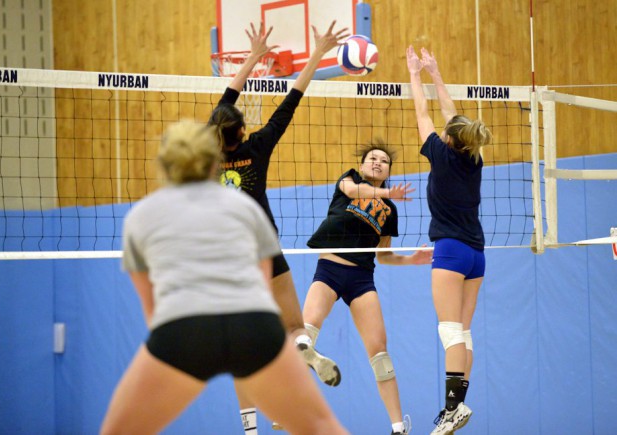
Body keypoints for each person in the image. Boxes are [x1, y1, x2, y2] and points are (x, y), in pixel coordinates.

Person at [100, 119, 347, 435]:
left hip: (183, 328)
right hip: (253, 324)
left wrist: (179, 347)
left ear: (164, 164)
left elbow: (152, 309)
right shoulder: (246, 208)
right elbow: (263, 283)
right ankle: (299, 343)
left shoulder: (139, 218)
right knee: (321, 427)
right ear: (214, 161)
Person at [208, 21, 348, 433]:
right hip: (266, 245)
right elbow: (291, 101)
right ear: (243, 131)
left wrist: (251, 57)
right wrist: (318, 53)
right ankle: (304, 348)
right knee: (294, 327)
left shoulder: (205, 151)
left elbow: (225, 101)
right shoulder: (259, 147)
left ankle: (250, 428)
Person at [302, 140, 433, 435]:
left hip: (361, 279)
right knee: (304, 337)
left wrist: (412, 260)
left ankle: (398, 428)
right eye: (372, 158)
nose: (377, 162)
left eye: (384, 161)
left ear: (388, 171)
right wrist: (386, 193)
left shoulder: (389, 211)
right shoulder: (349, 179)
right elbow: (352, 192)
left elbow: (384, 255)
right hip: (329, 269)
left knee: (380, 355)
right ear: (361, 165)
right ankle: (290, 406)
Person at [406, 45, 493, 435]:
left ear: (447, 138)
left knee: (450, 331)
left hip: (451, 251)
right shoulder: (474, 157)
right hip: (476, 254)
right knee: (463, 332)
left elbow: (423, 112)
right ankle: (455, 408)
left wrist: (415, 74)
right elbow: (450, 115)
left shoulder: (440, 155)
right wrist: (436, 74)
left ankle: (453, 409)